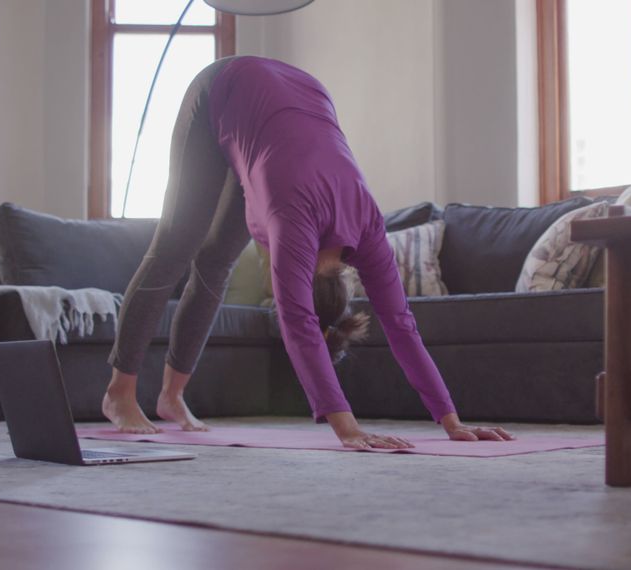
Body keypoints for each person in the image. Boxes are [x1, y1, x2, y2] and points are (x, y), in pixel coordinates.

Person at [101, 56, 514, 449]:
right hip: (224, 88)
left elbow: (401, 324)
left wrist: (451, 420)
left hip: (292, 104)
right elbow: (298, 323)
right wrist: (347, 427)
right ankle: (120, 393)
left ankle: (171, 396)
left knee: (216, 261)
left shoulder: (367, 228)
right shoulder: (292, 222)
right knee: (175, 246)